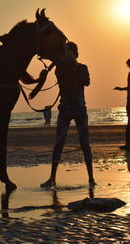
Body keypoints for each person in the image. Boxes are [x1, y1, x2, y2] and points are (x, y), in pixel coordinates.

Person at [41, 42, 96, 187]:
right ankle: (52, 178)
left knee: (85, 143)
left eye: (70, 52)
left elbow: (86, 82)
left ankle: (91, 178)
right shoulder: (60, 69)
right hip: (65, 109)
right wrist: (67, 64)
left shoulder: (82, 68)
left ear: (76, 54)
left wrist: (75, 67)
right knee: (59, 142)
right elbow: (64, 83)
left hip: (79, 109)